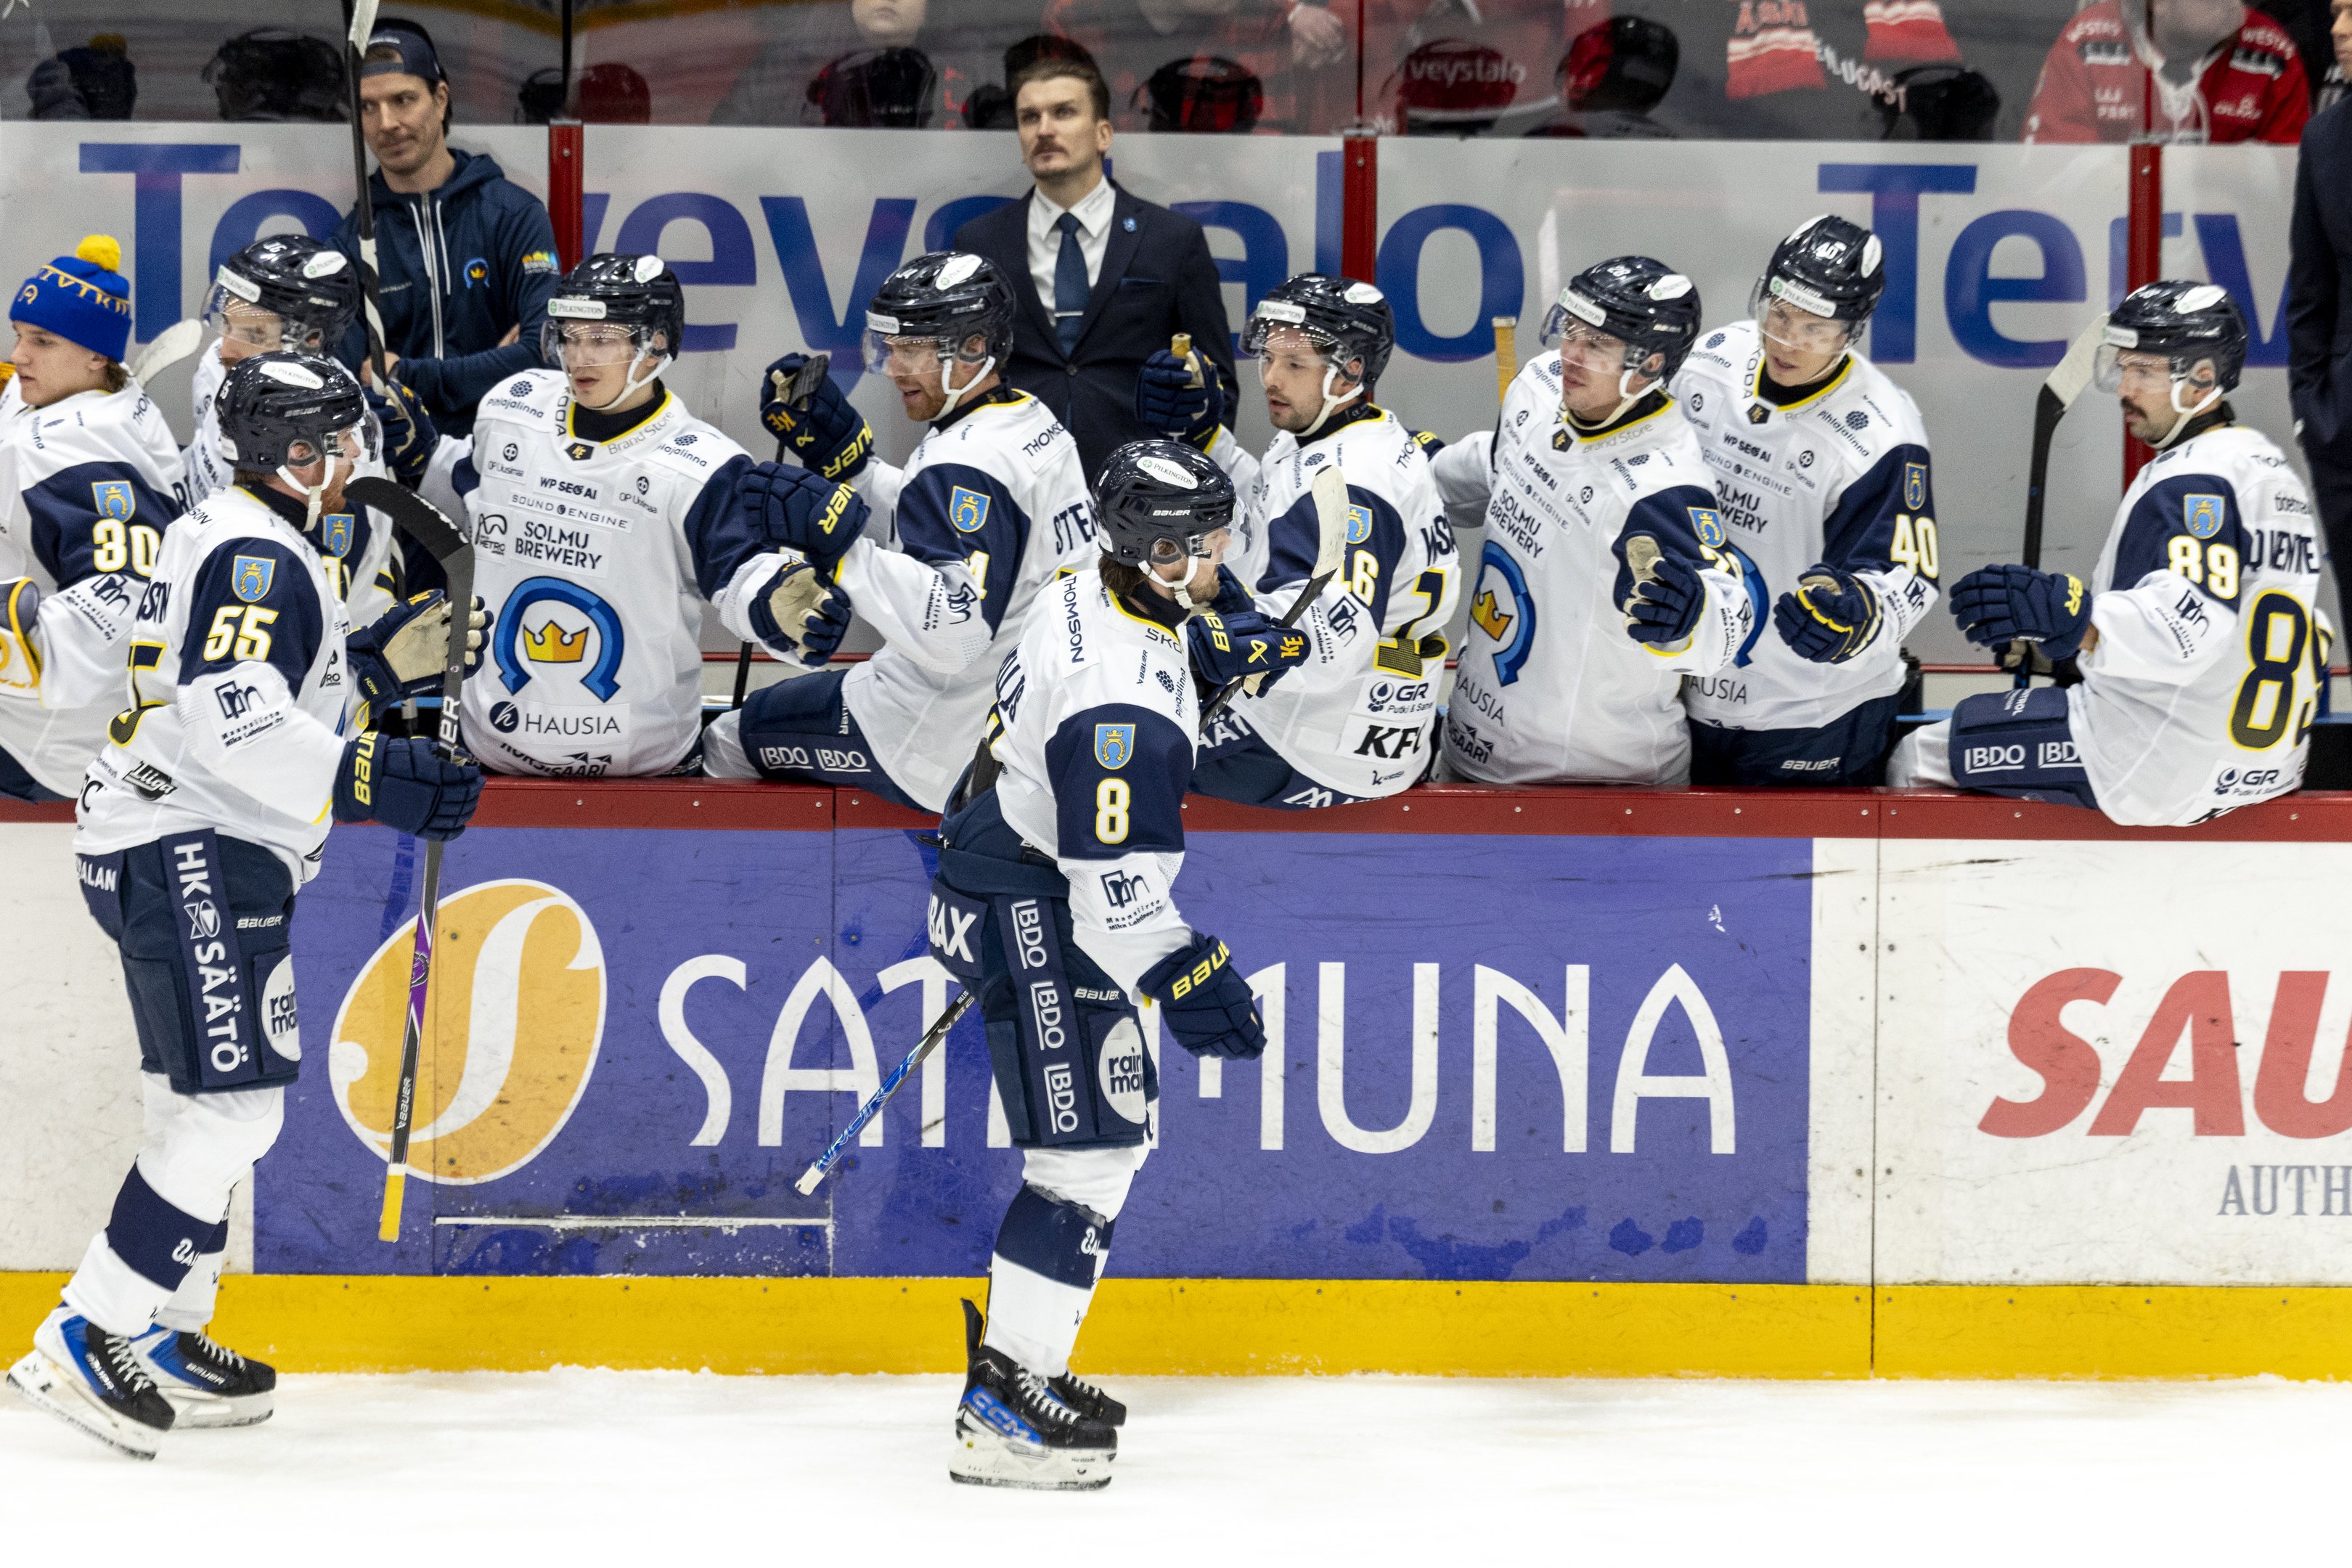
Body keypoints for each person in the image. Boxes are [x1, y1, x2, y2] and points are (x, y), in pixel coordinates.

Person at [7, 351, 484, 1458]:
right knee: (234, 1112)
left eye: (349, 437)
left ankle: (165, 1331)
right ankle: (90, 1328)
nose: (354, 457)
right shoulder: (256, 552)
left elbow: (245, 687)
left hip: (182, 839)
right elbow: (234, 716)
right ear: (287, 452)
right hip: (191, 843)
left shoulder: (251, 535)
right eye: (334, 440)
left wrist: (367, 670)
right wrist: (371, 774)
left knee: (192, 1107)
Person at [931, 438, 1306, 1490]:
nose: (1224, 558)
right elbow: (1113, 884)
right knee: (1087, 1155)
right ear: (1156, 553)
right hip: (1047, 896)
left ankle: (1025, 1367)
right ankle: (1005, 1403)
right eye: (1207, 546)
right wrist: (1186, 973)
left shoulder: (1089, 584)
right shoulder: (1120, 702)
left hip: (1009, 855)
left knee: (1105, 1145)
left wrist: (1206, 644)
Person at [1889, 284, 2324, 825]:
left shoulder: (2192, 480)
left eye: (2144, 371)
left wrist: (2076, 617)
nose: (2124, 388)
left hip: (2158, 761)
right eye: (2122, 368)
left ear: (2203, 379)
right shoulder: (2268, 471)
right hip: (2264, 763)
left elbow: (2188, 629)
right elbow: (2237, 632)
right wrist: (2062, 651)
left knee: (1916, 757)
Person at [709, 252, 1097, 811]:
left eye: (912, 348)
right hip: (1021, 725)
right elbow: (948, 535)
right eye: (888, 347)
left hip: (933, 739)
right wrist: (853, 471)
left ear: (975, 347)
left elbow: (956, 637)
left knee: (727, 739)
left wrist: (841, 547)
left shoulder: (965, 462)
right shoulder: (1029, 420)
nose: (893, 368)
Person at [440, 253, 844, 779]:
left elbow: (741, 573)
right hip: (488, 753)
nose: (579, 357)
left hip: (642, 768)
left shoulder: (702, 465)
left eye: (601, 339)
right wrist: (416, 450)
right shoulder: (511, 410)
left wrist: (778, 601)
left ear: (655, 346)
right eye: (570, 336)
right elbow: (463, 489)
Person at [1429, 256, 1759, 785]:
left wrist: (1694, 616)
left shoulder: (1661, 484)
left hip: (1594, 784)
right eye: (1571, 330)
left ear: (1649, 365)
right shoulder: (1539, 387)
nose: (1571, 355)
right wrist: (1407, 473)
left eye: (1598, 344)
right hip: (1471, 746)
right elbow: (1496, 464)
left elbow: (1726, 614)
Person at [1135, 273, 1458, 807]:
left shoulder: (1351, 481)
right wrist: (1207, 442)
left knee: (1101, 741)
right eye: (1268, 358)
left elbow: (1328, 647)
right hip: (1368, 715)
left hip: (1317, 744)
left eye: (1294, 365)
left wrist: (1214, 633)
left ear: (1351, 370)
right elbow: (1270, 524)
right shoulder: (1341, 437)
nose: (1270, 377)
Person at [1672, 215, 1938, 786]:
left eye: (1815, 328)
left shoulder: (1882, 432)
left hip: (1815, 714)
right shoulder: (1711, 362)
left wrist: (1860, 613)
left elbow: (1908, 575)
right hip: (1689, 691)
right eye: (1780, 314)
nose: (1787, 340)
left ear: (1850, 332)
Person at [950, 54, 1237, 478]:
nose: (1044, 130)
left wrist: (1186, 484)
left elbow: (1218, 385)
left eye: (1064, 113)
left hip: (1141, 485)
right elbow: (959, 377)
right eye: (1030, 118)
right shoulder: (979, 243)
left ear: (1104, 133)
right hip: (1015, 480)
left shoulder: (1173, 239)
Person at [0, 235, 186, 804]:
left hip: (43, 737)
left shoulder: (73, 457)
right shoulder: (105, 388)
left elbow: (125, 596)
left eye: (41, 341)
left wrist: (18, 637)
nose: (19, 356)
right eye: (19, 334)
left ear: (95, 357)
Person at [186, 234, 438, 630]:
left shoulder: (339, 447)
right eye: (228, 324)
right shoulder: (219, 369)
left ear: (311, 341)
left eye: (253, 335)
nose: (225, 351)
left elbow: (323, 607)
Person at [335, 19, 561, 438]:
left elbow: (543, 354)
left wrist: (404, 373)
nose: (386, 123)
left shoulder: (513, 215)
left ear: (440, 100)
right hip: (400, 459)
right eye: (368, 107)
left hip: (507, 450)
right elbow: (354, 386)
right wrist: (492, 369)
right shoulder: (350, 244)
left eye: (403, 100)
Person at [2024, 0, 2309, 144]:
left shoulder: (2272, 52)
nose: (2233, 6)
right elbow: (2047, 169)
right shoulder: (2088, 42)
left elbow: (2293, 185)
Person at [2288, 25, 2352, 632]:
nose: (2337, 29)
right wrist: (2313, 410)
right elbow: (2311, 291)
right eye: (2335, 11)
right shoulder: (2325, 137)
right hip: (2346, 438)